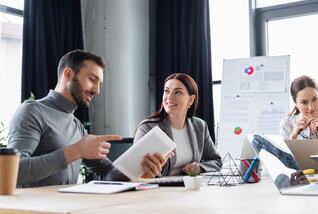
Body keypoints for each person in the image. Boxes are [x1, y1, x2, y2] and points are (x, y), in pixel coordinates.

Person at [7, 50, 168, 187]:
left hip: (66, 208)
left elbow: (107, 172)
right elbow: (11, 171)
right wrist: (75, 151)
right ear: (68, 74)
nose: (97, 90)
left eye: (100, 84)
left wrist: (140, 168)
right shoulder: (33, 111)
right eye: (92, 80)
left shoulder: (76, 126)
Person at [134, 73, 222, 176]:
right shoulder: (148, 127)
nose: (169, 97)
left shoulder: (200, 126)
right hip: (160, 188)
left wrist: (200, 167)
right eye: (167, 91)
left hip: (189, 187)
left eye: (178, 92)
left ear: (191, 100)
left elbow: (217, 161)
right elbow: (137, 169)